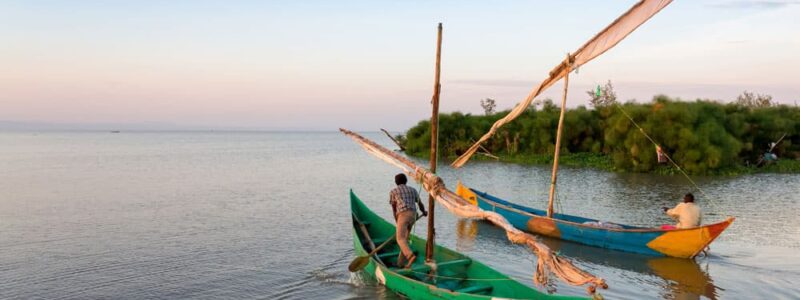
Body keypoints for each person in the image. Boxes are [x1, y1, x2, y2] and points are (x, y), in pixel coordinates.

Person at [389, 173, 427, 268]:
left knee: (400, 239)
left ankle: (410, 256)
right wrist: (424, 211)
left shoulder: (393, 191)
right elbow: (420, 203)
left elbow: (394, 209)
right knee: (404, 240)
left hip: (403, 215)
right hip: (413, 215)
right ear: (406, 181)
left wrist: (397, 221)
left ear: (396, 182)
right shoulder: (413, 190)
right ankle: (400, 263)